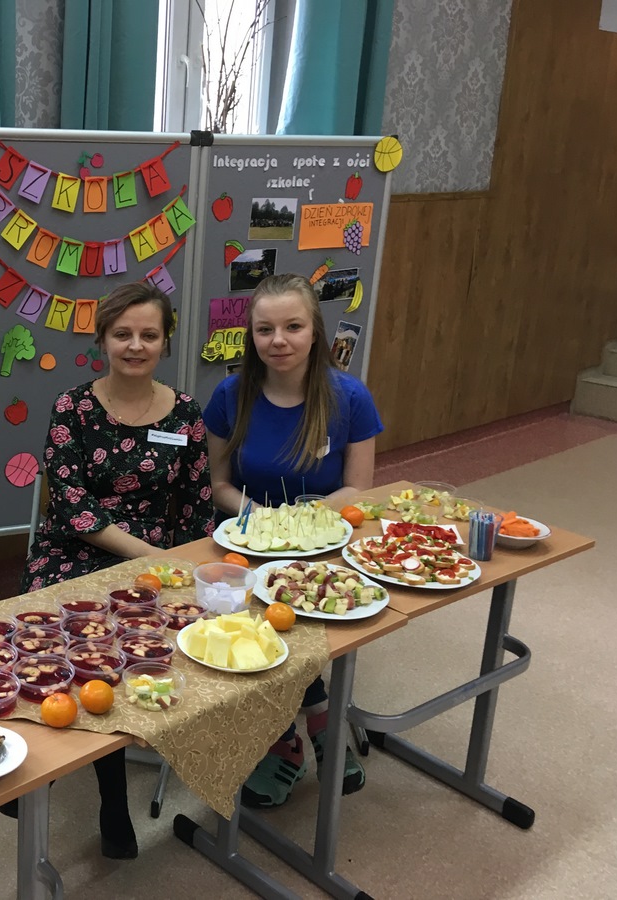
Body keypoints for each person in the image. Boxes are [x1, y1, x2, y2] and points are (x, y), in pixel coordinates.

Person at [20, 281, 214, 859]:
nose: (135, 345)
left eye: (149, 335)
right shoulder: (73, 407)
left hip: (155, 558)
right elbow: (72, 508)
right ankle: (92, 786)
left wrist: (186, 571)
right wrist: (151, 557)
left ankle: (100, 780)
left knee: (150, 632)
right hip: (74, 549)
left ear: (165, 341)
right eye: (122, 333)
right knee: (80, 634)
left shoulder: (185, 412)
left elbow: (197, 504)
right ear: (102, 339)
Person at [203, 272, 383, 809]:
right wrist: (263, 521)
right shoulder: (231, 394)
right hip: (245, 536)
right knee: (255, 625)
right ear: (251, 336)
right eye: (265, 329)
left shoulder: (350, 397)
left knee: (307, 615)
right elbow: (218, 484)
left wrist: (298, 525)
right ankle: (304, 730)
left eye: (293, 327)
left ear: (315, 331)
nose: (278, 340)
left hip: (322, 541)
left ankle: (301, 730)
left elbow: (357, 490)